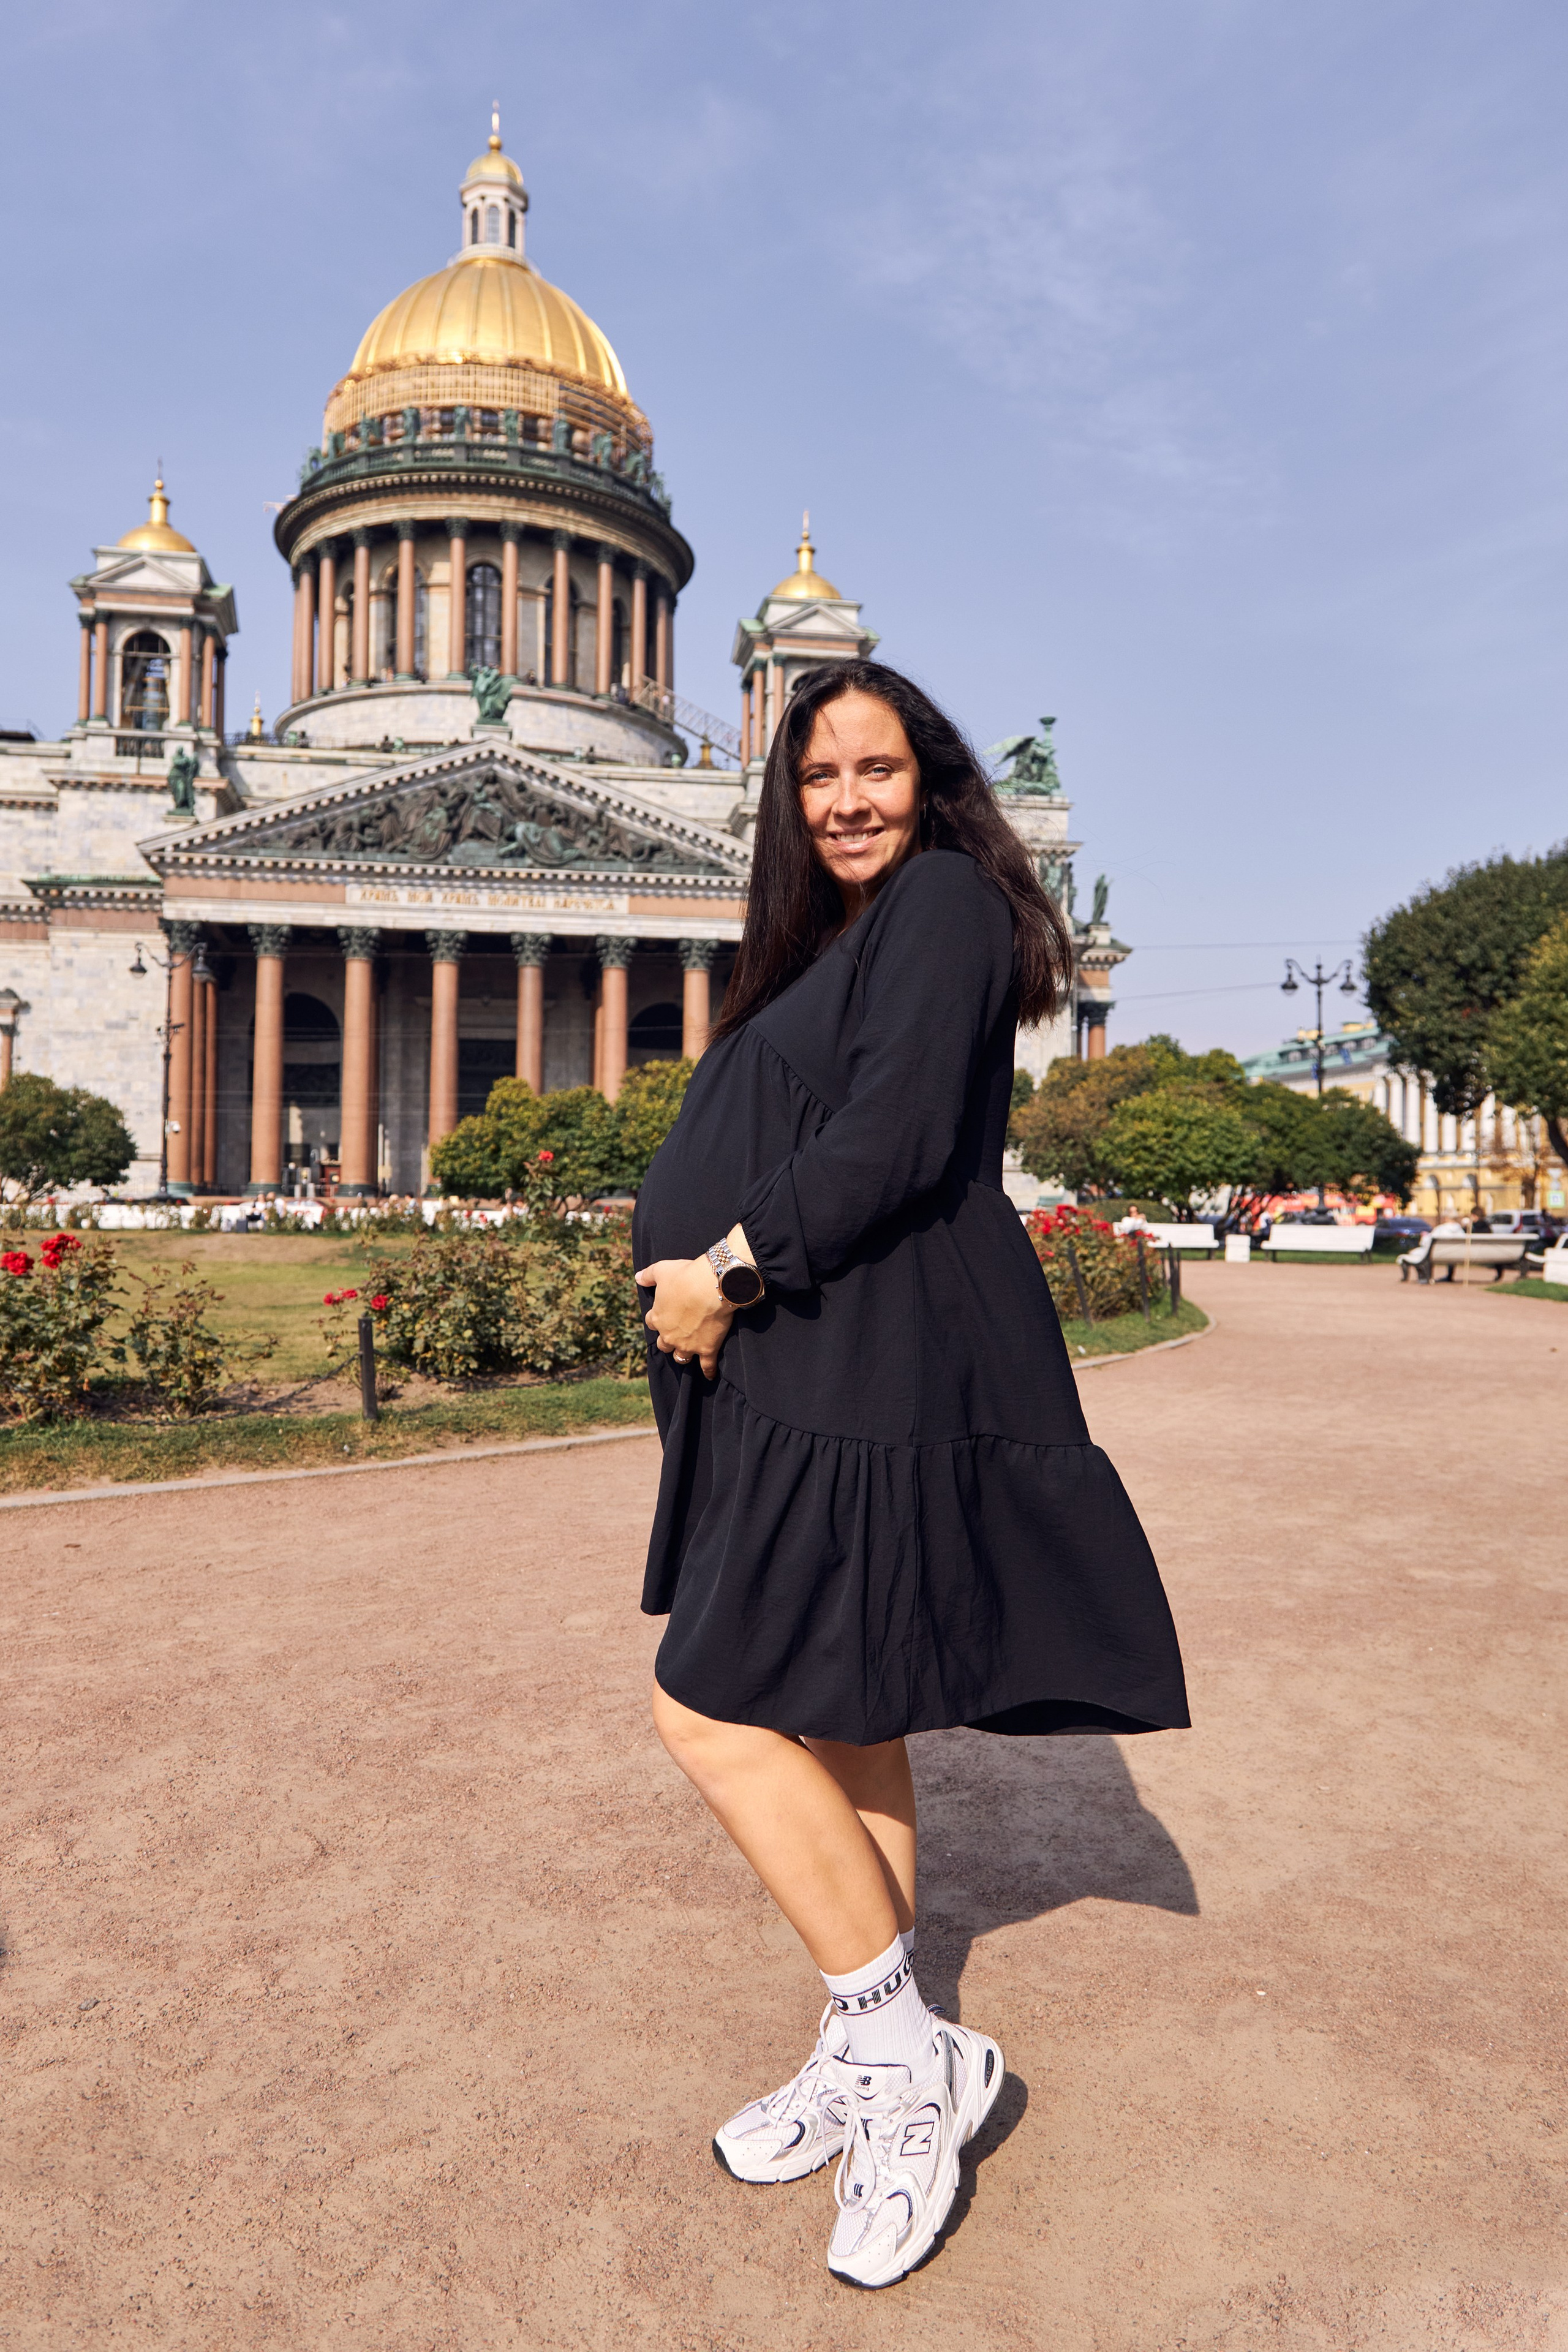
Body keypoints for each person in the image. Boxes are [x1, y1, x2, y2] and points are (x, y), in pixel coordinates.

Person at [633, 661, 1188, 2291]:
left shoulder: (941, 899)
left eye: (878, 769)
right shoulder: (847, 938)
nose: (849, 800)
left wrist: (723, 1271)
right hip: (824, 1364)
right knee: (844, 1709)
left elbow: (883, 1144)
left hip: (859, 1368)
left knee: (710, 1705)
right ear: (787, 796)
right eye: (820, 778)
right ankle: (872, 2041)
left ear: (931, 783)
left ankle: (904, 2061)